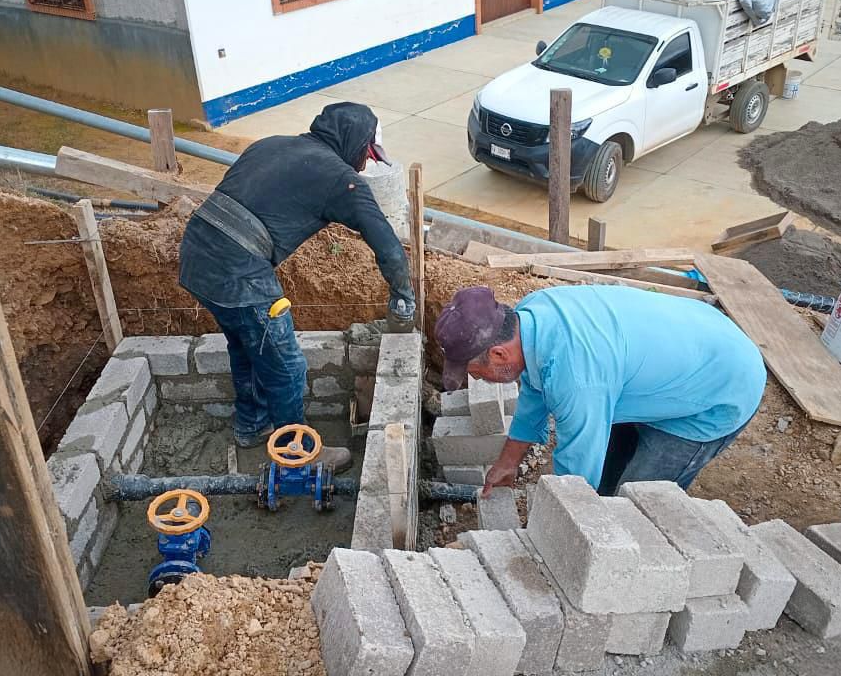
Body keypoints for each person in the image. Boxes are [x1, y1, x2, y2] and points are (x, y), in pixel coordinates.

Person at [178, 103, 414, 469]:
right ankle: (297, 451)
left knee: (247, 345)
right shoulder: (341, 179)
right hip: (238, 270)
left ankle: (252, 426)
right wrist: (403, 295)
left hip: (196, 255)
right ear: (355, 143)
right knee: (286, 364)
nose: (364, 167)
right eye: (367, 156)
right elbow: (388, 247)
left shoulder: (270, 144)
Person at [434, 284, 765, 496]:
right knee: (607, 481)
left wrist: (556, 530)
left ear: (498, 354)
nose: (477, 381)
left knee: (637, 502)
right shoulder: (531, 315)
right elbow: (535, 390)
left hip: (721, 387)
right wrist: (509, 461)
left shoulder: (578, 378)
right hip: (687, 344)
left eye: (475, 373)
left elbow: (576, 472)